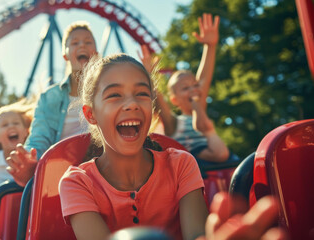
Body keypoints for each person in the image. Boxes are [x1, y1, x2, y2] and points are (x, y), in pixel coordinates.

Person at [58, 54, 285, 240]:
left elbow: (197, 235)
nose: (132, 104)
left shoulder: (181, 164)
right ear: (91, 114)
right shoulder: (76, 183)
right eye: (114, 95)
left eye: (142, 94)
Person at [6, 21, 98, 186]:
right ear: (65, 54)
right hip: (61, 176)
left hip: (100, 171)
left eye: (88, 42)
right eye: (75, 42)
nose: (82, 45)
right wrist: (29, 158)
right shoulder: (49, 98)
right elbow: (39, 138)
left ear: (96, 53)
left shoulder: (109, 91)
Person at [153, 13, 230, 163]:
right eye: (185, 88)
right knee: (218, 153)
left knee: (226, 155)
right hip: (187, 159)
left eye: (195, 85)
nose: (193, 89)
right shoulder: (173, 123)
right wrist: (151, 76)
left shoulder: (199, 109)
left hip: (209, 156)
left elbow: (204, 78)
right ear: (174, 100)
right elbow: (158, 101)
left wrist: (210, 46)